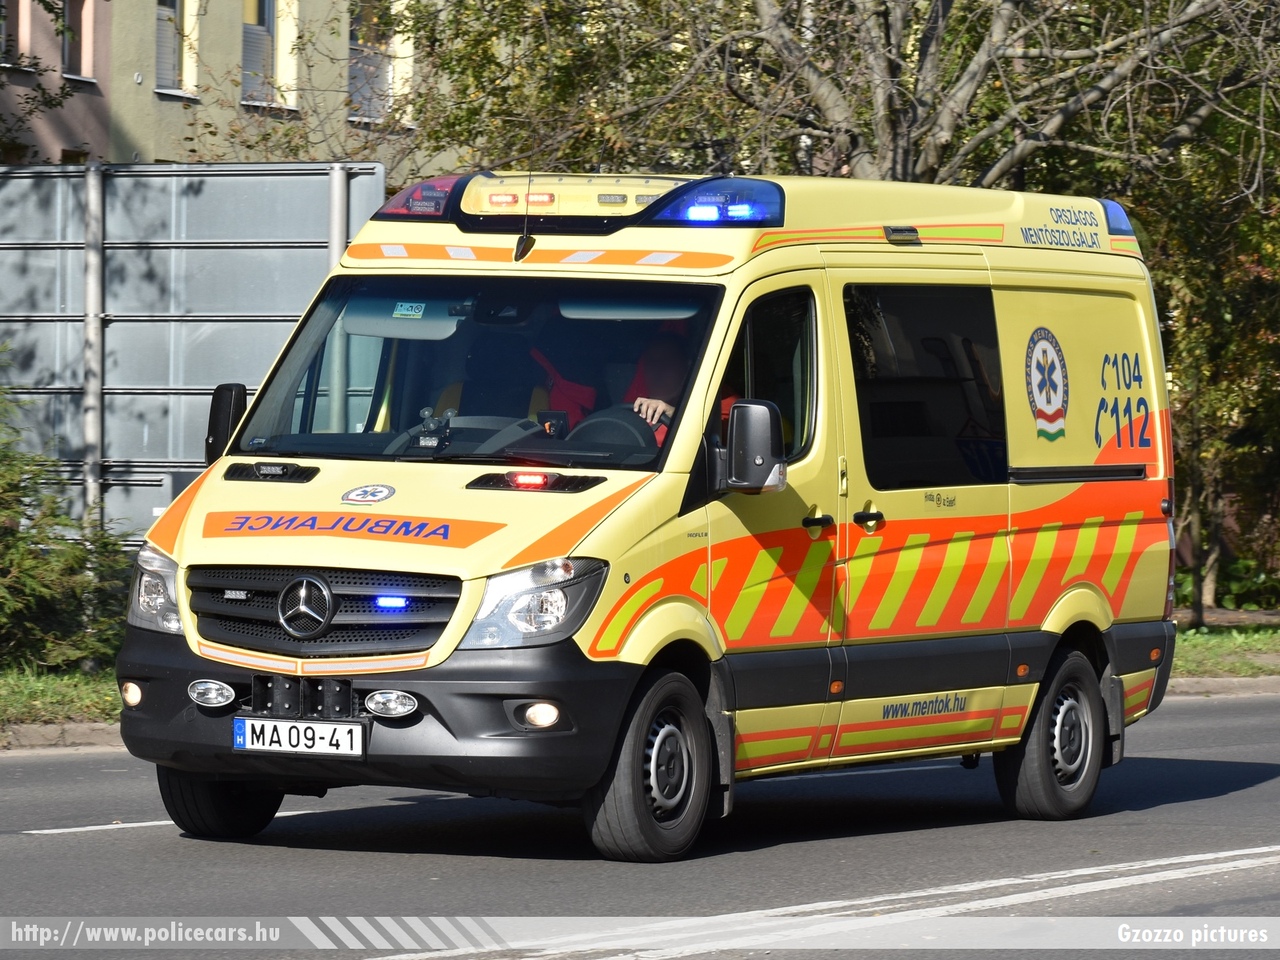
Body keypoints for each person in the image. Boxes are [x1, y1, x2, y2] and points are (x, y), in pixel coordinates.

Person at [626, 333, 691, 440]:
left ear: (687, 368)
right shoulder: (631, 412)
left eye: (667, 361)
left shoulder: (714, 407)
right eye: (651, 361)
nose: (657, 369)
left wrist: (674, 414)